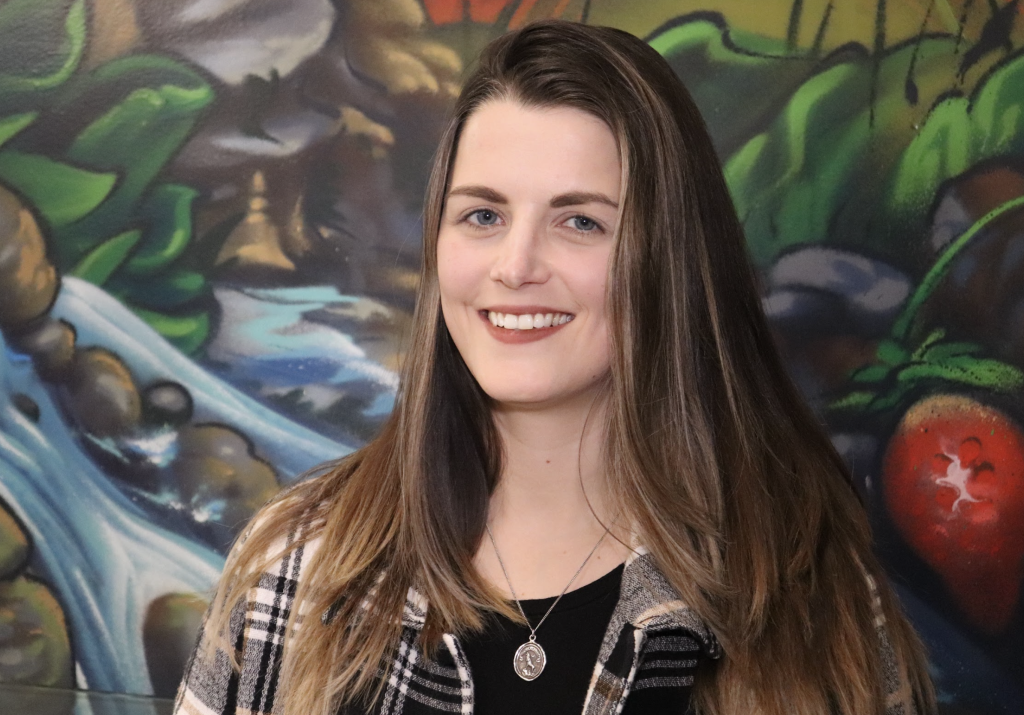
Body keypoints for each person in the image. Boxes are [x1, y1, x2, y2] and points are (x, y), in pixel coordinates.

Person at [174, 19, 935, 715]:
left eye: (580, 221)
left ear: (669, 258)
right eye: (483, 215)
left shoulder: (811, 590)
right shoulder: (292, 567)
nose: (515, 266)